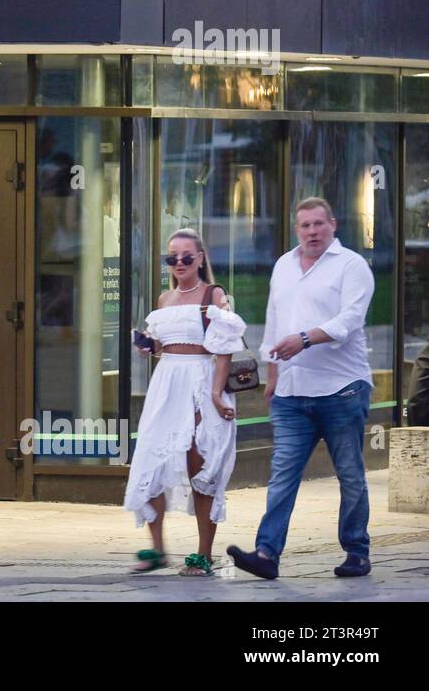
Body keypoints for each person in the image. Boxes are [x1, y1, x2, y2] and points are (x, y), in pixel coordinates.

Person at [228, 197, 376, 580]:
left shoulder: (351, 266)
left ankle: (357, 551)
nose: (312, 232)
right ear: (297, 229)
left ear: (333, 224)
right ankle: (266, 553)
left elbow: (350, 320)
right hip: (292, 393)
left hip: (342, 389)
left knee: (350, 474)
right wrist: (273, 375)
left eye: (318, 224)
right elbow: (275, 320)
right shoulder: (284, 265)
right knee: (282, 475)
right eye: (305, 226)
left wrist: (305, 339)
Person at [124, 228, 246, 576]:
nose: (179, 263)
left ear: (200, 258)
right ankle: (158, 548)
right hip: (167, 383)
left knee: (199, 465)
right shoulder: (165, 300)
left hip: (201, 380)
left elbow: (224, 346)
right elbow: (164, 345)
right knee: (151, 459)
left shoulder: (213, 294)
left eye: (187, 257)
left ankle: (203, 554)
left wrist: (215, 393)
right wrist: (150, 345)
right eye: (172, 257)